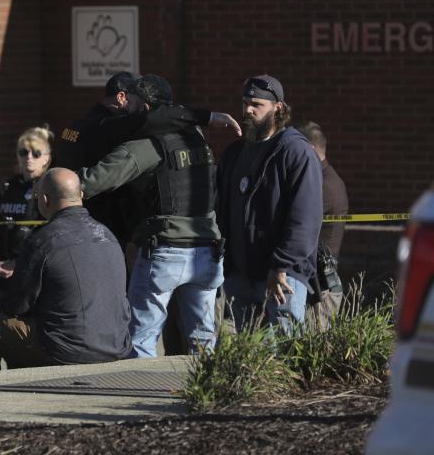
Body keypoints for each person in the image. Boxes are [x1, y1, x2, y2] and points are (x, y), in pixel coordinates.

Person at [78, 75, 225, 357]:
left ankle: (137, 394)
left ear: (144, 108)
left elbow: (94, 181)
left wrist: (60, 182)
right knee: (204, 340)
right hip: (208, 249)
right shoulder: (197, 138)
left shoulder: (145, 146)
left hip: (166, 251)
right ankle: (207, 396)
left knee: (141, 339)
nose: (126, 112)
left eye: (130, 105)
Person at [0, 168, 132, 372]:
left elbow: (17, 304)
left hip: (67, 349)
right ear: (80, 195)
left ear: (44, 199)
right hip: (117, 345)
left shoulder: (43, 240)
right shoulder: (108, 236)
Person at [216, 75, 322, 333]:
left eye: (256, 104)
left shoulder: (295, 152)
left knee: (286, 358)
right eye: (244, 103)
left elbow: (305, 219)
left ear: (278, 109)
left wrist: (281, 264)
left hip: (282, 276)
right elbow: (221, 209)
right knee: (252, 360)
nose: (248, 110)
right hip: (241, 275)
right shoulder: (235, 153)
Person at [0, 126, 51, 313]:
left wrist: (19, 264)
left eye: (36, 153)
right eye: (23, 152)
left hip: (30, 274)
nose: (29, 157)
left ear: (46, 158)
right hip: (3, 273)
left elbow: (45, 235)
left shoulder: (47, 189)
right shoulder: (9, 187)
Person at [297, 121, 349, 327]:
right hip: (320, 282)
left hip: (322, 287)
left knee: (312, 347)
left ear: (309, 150)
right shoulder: (325, 178)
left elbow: (299, 222)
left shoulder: (323, 186)